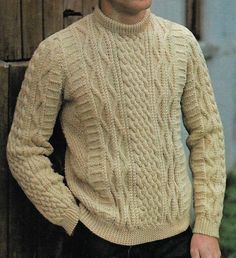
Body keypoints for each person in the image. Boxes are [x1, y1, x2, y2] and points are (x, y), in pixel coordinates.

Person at [6, 0, 226, 257]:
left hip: (176, 242)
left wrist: (207, 226)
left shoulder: (181, 43)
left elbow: (207, 136)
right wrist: (70, 218)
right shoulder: (58, 52)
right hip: (96, 241)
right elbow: (24, 148)